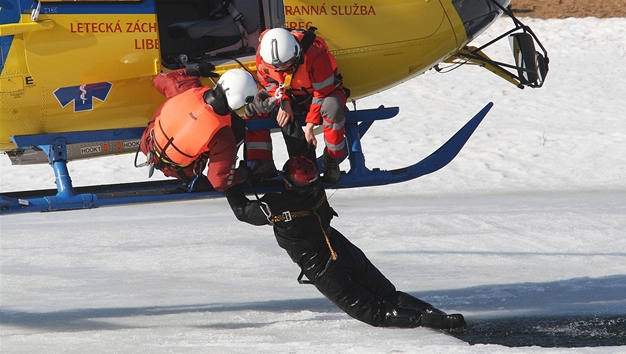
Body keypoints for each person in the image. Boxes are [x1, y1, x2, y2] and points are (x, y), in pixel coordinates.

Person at [224, 155, 467, 329]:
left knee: (375, 312)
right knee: (388, 294)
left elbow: (243, 212)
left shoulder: (275, 206)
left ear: (287, 183)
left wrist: (229, 185)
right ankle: (435, 313)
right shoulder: (317, 187)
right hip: (343, 248)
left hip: (324, 268)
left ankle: (428, 321)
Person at [243, 27, 348, 183]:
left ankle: (331, 159)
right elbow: (268, 81)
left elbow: (322, 93)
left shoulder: (315, 53)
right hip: (289, 95)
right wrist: (284, 101)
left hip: (318, 95)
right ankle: (262, 163)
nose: (283, 70)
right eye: (278, 68)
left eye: (288, 64)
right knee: (254, 108)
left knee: (333, 108)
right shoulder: (264, 53)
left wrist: (310, 125)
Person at [139, 68, 258, 191]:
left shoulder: (188, 89)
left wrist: (191, 71)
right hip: (179, 171)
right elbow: (219, 181)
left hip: (148, 144)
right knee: (237, 128)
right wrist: (244, 174)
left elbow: (160, 79)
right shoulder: (223, 135)